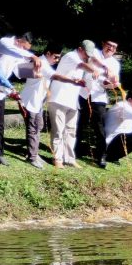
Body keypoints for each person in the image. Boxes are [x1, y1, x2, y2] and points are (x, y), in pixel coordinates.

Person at [0, 32, 41, 166]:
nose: (25, 51)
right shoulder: (4, 43)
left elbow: (18, 70)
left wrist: (35, 72)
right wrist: (33, 56)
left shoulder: (20, 52)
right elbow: (16, 52)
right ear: (19, 41)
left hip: (1, 89)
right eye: (24, 47)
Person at [48, 40, 101, 169]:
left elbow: (90, 62)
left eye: (89, 54)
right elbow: (83, 65)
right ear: (79, 49)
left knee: (71, 131)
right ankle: (57, 159)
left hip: (72, 101)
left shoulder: (84, 58)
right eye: (86, 53)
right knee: (58, 131)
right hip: (58, 98)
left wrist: (104, 69)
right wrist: (93, 70)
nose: (87, 56)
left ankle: (70, 158)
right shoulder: (70, 56)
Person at [76, 40, 121, 168]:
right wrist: (104, 68)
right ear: (103, 44)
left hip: (99, 95)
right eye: (109, 45)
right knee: (79, 122)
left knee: (99, 125)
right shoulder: (94, 52)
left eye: (114, 47)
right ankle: (75, 149)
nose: (110, 48)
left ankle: (101, 155)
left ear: (116, 50)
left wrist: (111, 84)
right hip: (83, 92)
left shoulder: (115, 64)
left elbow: (112, 82)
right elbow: (90, 60)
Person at [18, 45, 62, 169]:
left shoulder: (43, 63)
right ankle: (32, 157)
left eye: (59, 58)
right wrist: (71, 80)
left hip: (37, 103)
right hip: (29, 102)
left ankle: (34, 154)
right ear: (48, 53)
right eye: (56, 57)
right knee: (33, 128)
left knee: (38, 127)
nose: (57, 60)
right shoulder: (41, 63)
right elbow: (55, 76)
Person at [103, 90, 132, 165]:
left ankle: (113, 157)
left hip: (116, 141)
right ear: (130, 100)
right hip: (110, 141)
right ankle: (109, 156)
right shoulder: (123, 106)